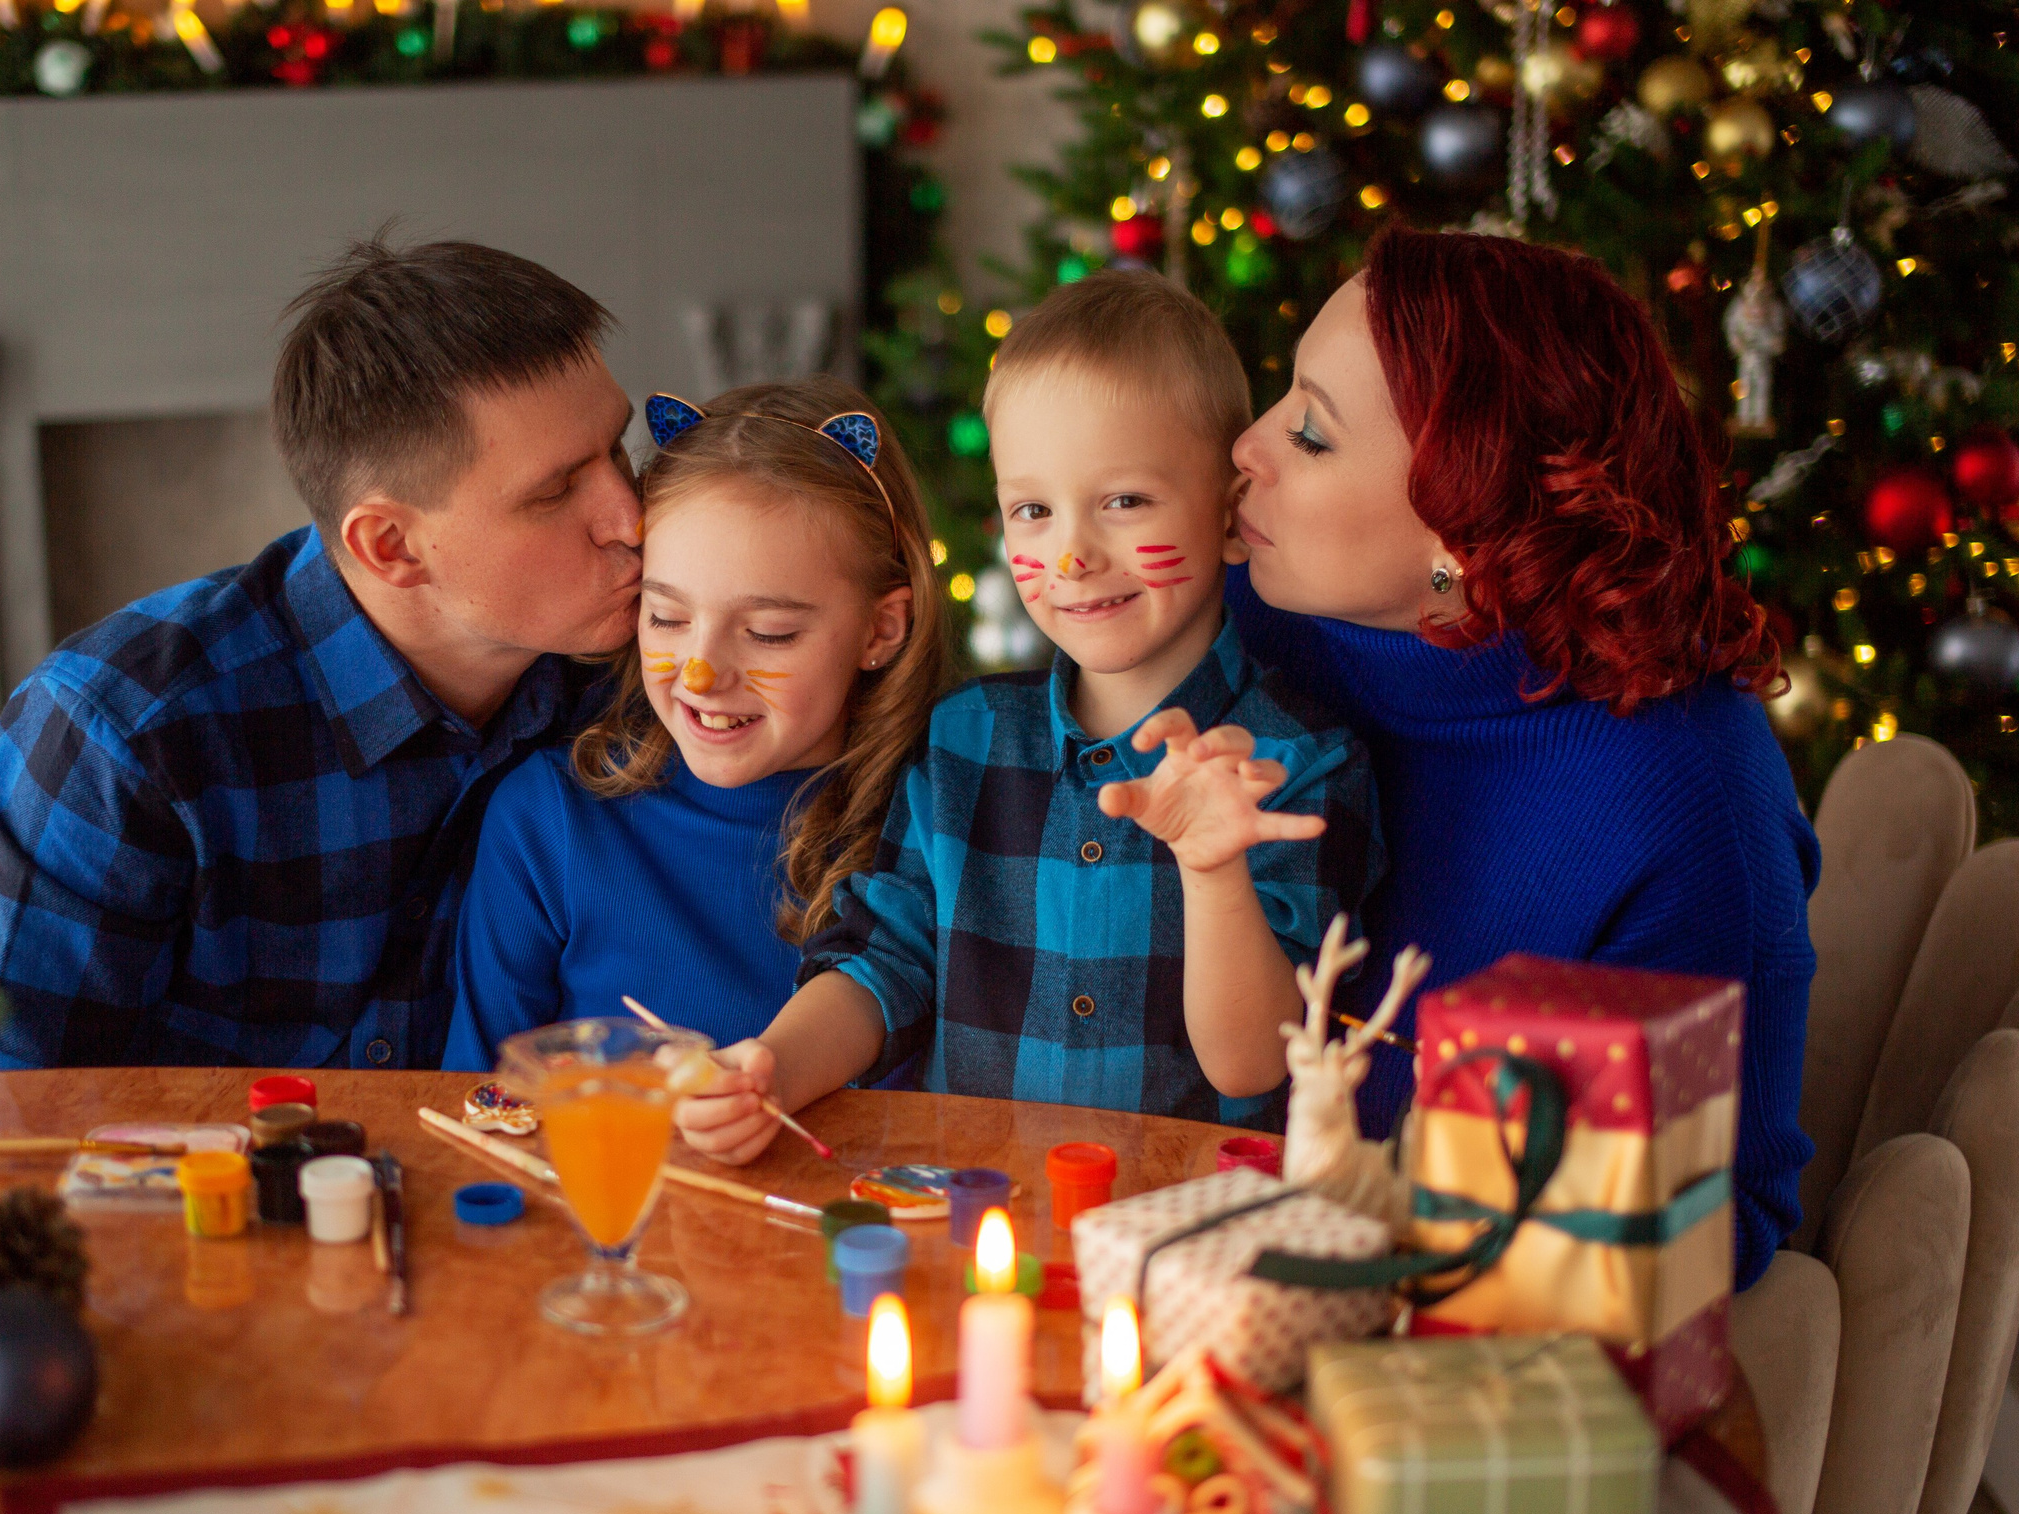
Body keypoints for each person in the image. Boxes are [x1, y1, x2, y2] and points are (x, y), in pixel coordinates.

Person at [1220, 224, 1816, 1289]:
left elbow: (1718, 1219)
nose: (1244, 448)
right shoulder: (1254, 630)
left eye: (1309, 434)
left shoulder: (1681, 804)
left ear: (1460, 529)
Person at [674, 270, 1381, 1158]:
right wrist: (772, 1066)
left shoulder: (1300, 761)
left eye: (1124, 501)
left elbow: (1256, 1066)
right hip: (975, 1219)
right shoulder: (963, 739)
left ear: (1231, 515)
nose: (1073, 554)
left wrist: (1214, 874)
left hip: (1183, 1239)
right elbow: (881, 963)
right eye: (1033, 510)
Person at [0, 238, 643, 1073]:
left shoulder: (654, 664)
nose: (630, 517)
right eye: (556, 492)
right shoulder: (122, 737)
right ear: (390, 546)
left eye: (618, 450)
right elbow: (11, 1121)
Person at [441, 379, 953, 1069]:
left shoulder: (941, 823)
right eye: (668, 618)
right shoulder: (548, 821)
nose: (701, 671)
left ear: (881, 629)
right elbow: (480, 1107)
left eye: (769, 632)